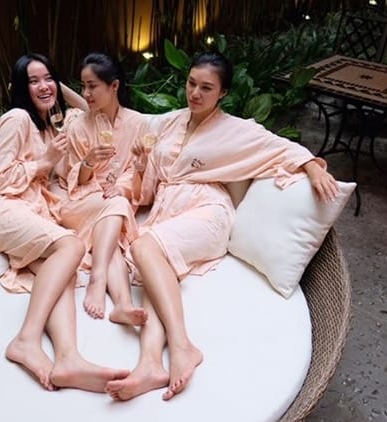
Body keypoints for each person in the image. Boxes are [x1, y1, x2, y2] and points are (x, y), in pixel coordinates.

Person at [105, 52, 340, 402]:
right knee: (155, 269)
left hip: (208, 211)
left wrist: (313, 168)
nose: (195, 93)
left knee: (144, 248)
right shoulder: (171, 122)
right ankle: (150, 364)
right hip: (169, 214)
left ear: (223, 93)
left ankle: (182, 346)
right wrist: (139, 163)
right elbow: (141, 159)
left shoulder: (237, 130)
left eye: (206, 88)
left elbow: (283, 148)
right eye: (191, 83)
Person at [0, 53, 128, 393]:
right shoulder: (17, 119)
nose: (43, 87)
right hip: (0, 206)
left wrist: (56, 88)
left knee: (60, 271)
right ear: (20, 88)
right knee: (71, 246)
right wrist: (44, 162)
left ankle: (68, 359)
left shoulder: (51, 127)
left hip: (32, 211)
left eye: (48, 79)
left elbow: (90, 110)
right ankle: (26, 340)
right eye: (33, 81)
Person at [53, 53, 147, 326]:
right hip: (79, 201)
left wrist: (122, 187)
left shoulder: (138, 124)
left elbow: (139, 168)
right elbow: (77, 182)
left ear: (114, 86)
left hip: (112, 200)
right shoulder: (78, 126)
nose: (86, 93)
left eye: (92, 86)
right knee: (116, 207)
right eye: (83, 86)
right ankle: (98, 277)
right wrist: (89, 162)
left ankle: (123, 304)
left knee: (112, 230)